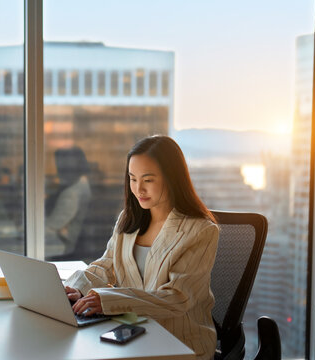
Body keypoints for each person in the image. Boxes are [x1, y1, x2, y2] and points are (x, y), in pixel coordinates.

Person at [64, 135, 219, 360]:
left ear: (172, 178)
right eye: (132, 178)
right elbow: (107, 265)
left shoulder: (201, 231)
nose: (139, 189)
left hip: (180, 343)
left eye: (148, 179)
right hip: (132, 332)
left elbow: (177, 298)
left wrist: (109, 299)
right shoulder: (129, 218)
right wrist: (78, 287)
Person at [44, 146, 92, 259]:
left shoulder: (72, 193)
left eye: (62, 167)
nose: (59, 171)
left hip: (65, 248)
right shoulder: (84, 183)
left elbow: (52, 226)